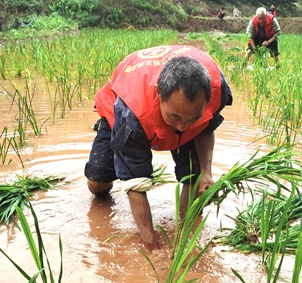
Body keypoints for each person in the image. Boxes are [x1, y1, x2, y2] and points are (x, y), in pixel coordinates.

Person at [85, 45, 233, 251]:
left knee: (194, 177)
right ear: (159, 94)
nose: (182, 127)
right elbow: (135, 182)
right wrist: (151, 246)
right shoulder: (131, 115)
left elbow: (205, 128)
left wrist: (207, 173)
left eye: (193, 117)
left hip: (167, 109)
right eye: (175, 116)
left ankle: (188, 226)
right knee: (97, 186)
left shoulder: (217, 90)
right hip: (122, 112)